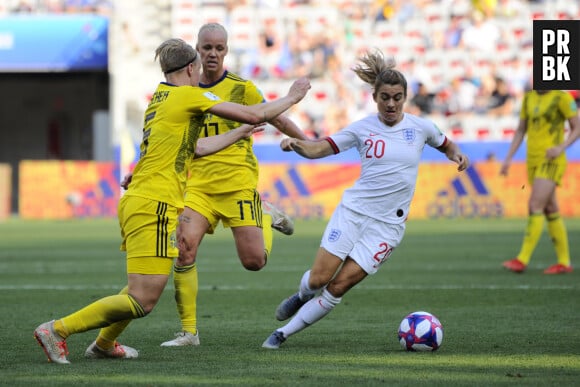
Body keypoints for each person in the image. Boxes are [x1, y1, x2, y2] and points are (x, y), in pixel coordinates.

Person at [33, 37, 311, 364]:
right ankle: (57, 330)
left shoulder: (160, 97)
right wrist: (293, 95)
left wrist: (237, 134)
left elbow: (197, 148)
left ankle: (105, 344)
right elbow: (254, 114)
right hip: (155, 203)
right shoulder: (186, 95)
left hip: (143, 198)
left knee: (141, 286)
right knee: (143, 300)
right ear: (191, 67)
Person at [261, 49, 469, 349]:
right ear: (375, 97)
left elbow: (447, 145)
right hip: (354, 212)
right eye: (385, 97)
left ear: (405, 97)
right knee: (320, 279)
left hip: (388, 227)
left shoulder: (420, 127)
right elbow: (320, 149)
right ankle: (302, 295)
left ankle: (281, 335)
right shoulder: (362, 129)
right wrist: (297, 145)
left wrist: (457, 155)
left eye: (397, 97)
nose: (391, 103)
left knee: (339, 286)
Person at [159, 23, 310, 347]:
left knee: (254, 262)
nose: (212, 54)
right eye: (206, 48)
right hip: (197, 188)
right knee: (183, 249)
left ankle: (264, 214)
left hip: (237, 185)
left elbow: (275, 118)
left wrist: (312, 143)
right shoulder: (185, 93)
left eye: (219, 48)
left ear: (226, 51)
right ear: (196, 52)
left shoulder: (242, 88)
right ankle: (189, 333)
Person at [501, 89, 579, 274]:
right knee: (550, 208)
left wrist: (561, 147)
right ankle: (564, 262)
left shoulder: (562, 97)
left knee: (535, 204)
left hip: (552, 160)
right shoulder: (529, 97)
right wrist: (508, 158)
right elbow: (521, 129)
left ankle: (522, 259)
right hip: (533, 160)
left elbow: (577, 127)